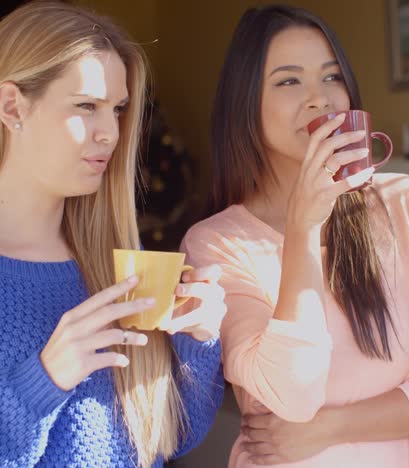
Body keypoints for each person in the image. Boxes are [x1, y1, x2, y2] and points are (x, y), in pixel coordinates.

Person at [181, 4, 409, 468]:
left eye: (332, 77)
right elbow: (292, 396)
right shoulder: (214, 244)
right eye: (289, 80)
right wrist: (303, 229)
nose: (320, 98)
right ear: (245, 104)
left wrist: (329, 429)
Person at [0, 2, 225, 467]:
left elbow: (171, 436)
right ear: (11, 106)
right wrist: (43, 380)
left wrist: (199, 340)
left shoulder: (117, 260)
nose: (111, 133)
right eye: (86, 106)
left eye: (118, 109)